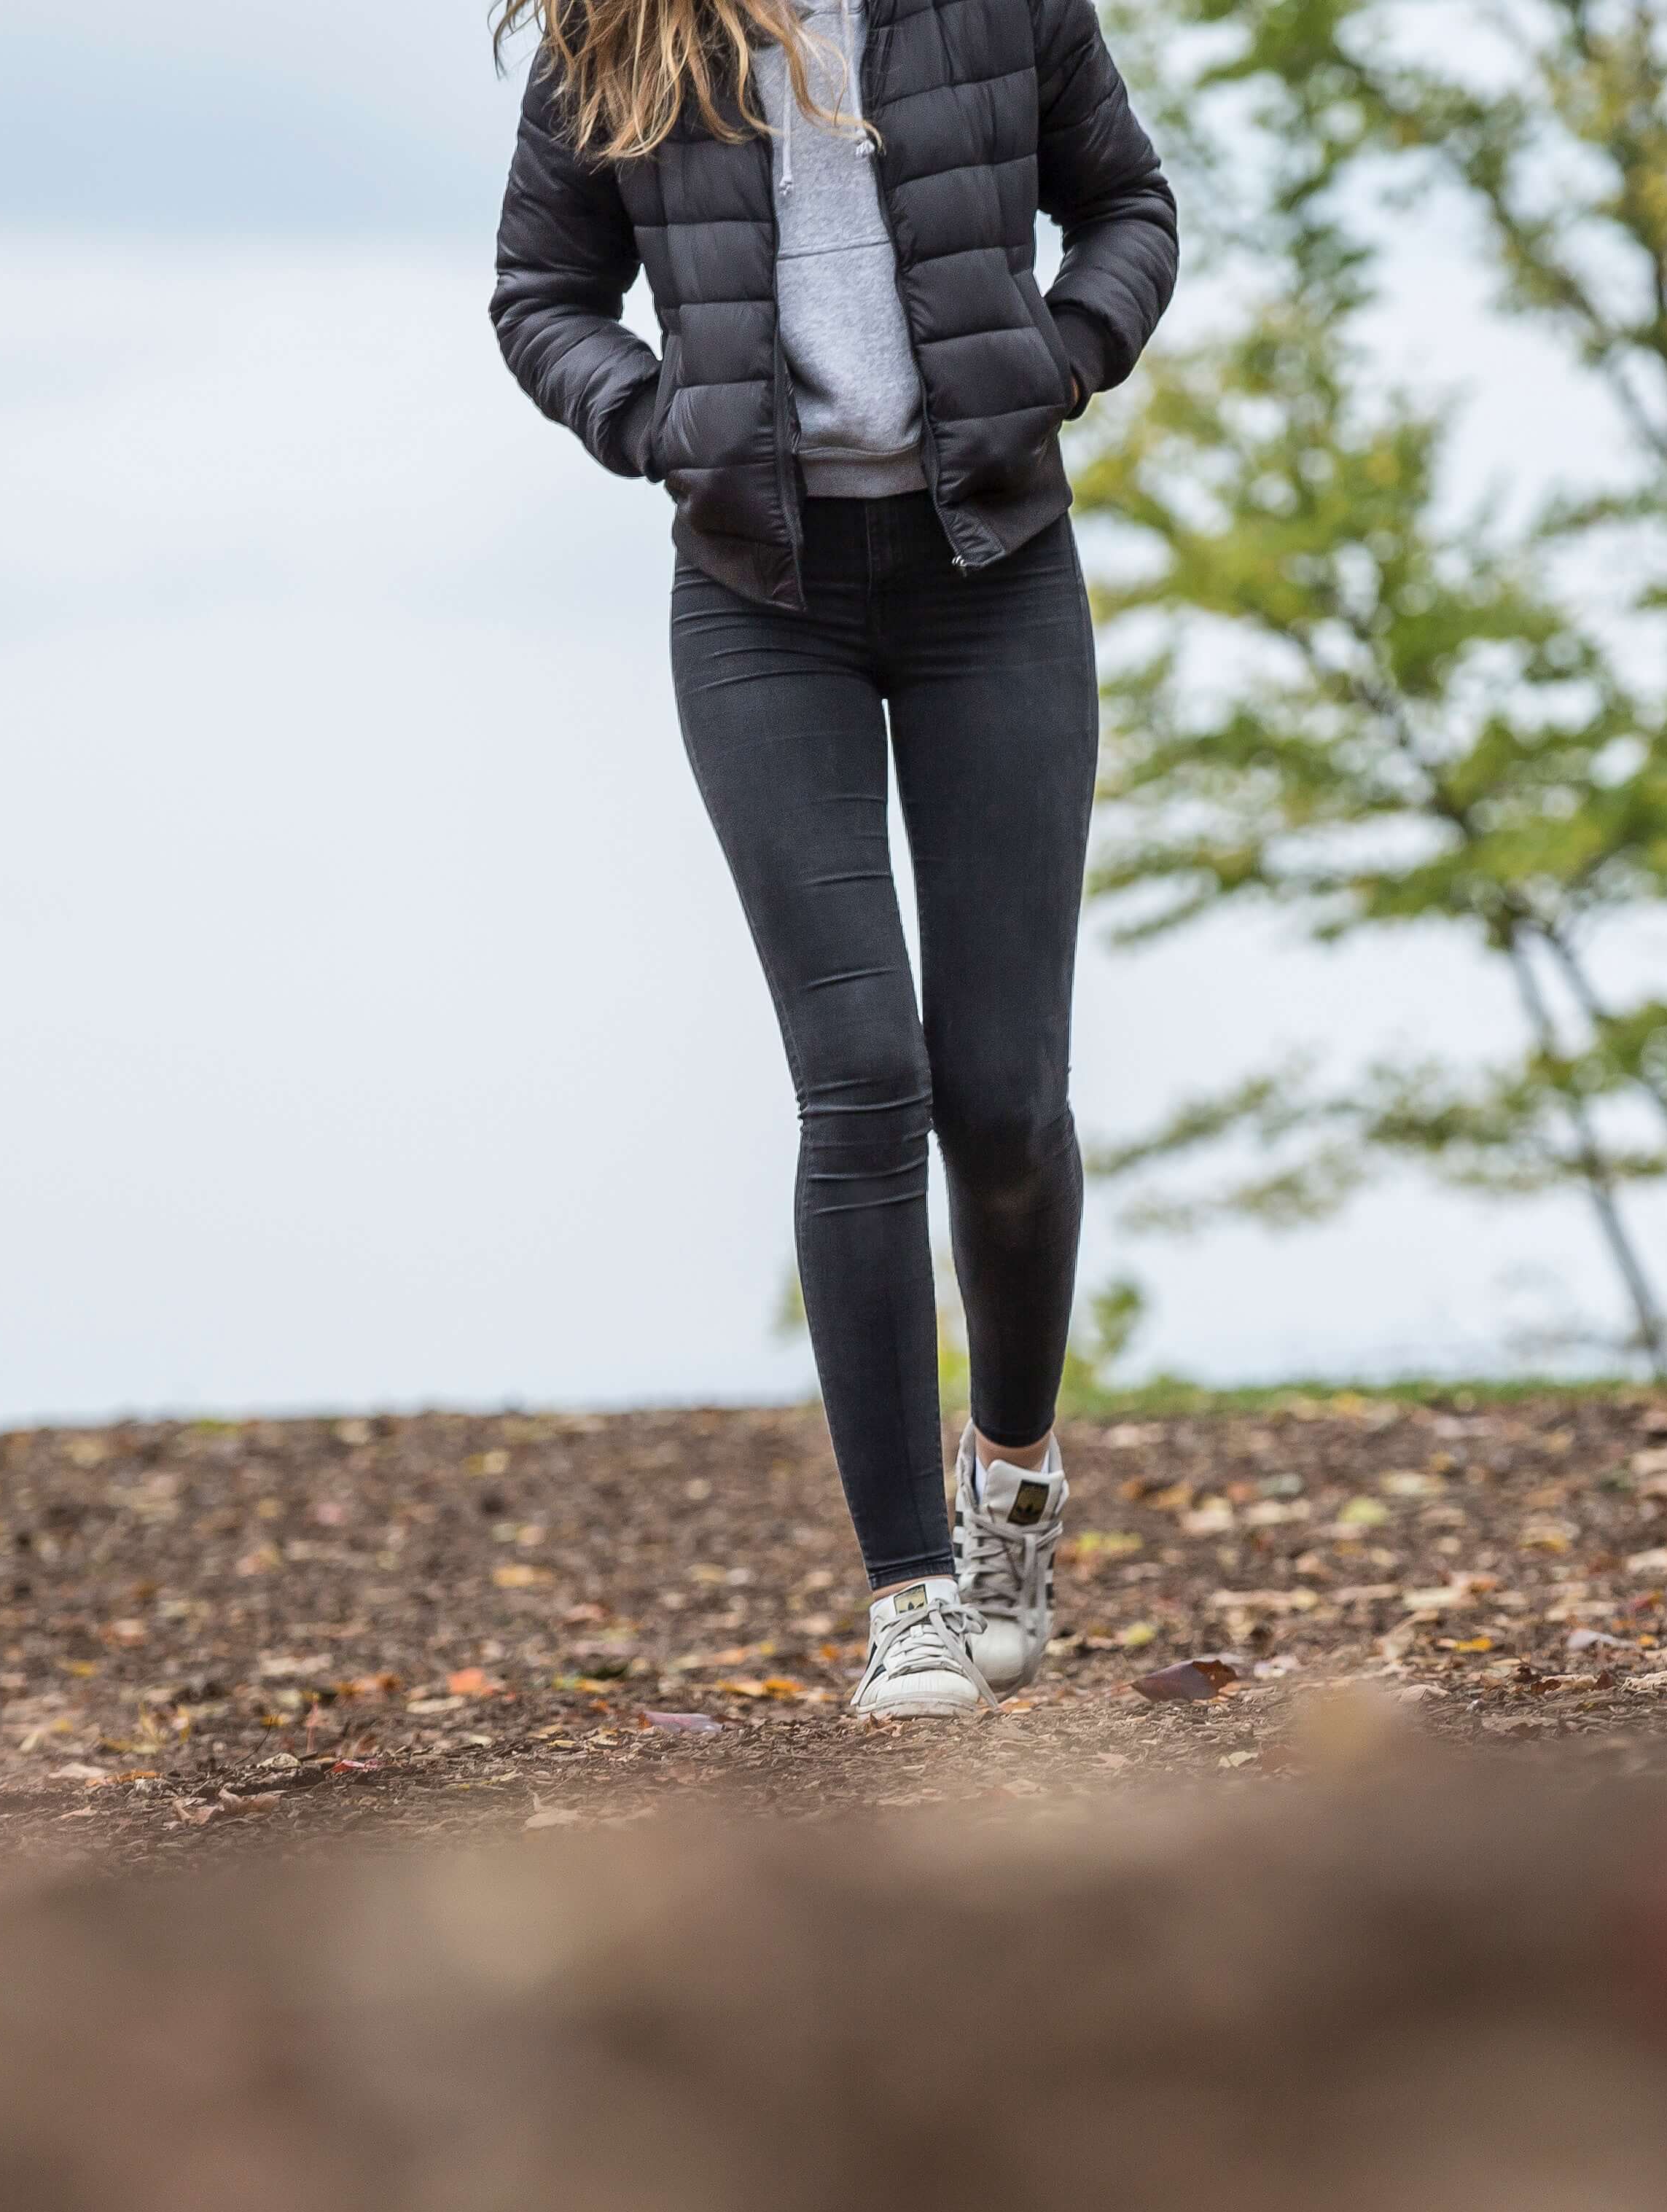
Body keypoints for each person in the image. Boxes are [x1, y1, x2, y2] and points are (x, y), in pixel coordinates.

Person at [490, 0, 1174, 1721]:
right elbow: (540, 293)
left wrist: (1066, 358)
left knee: (1003, 1100)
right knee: (860, 1073)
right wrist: (657, 427)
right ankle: (911, 1599)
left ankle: (1009, 1484)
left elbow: (1130, 206)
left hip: (994, 573)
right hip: (759, 599)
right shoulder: (625, 27)